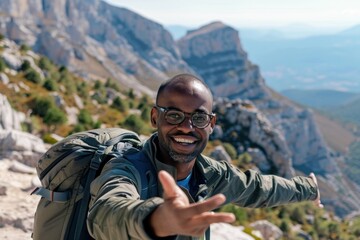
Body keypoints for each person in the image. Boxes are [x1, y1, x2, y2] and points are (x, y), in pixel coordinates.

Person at [87, 73, 323, 240]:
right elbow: (105, 213)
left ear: (211, 124)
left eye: (199, 118)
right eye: (174, 115)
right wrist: (157, 220)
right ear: (154, 117)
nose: (187, 127)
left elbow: (259, 188)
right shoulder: (126, 166)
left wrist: (308, 188)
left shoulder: (212, 174)